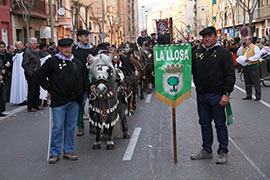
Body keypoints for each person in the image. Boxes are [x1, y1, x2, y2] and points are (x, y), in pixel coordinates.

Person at [37, 38, 89, 164]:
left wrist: (85, 90)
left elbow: (84, 79)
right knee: (58, 127)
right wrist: (50, 88)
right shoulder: (52, 61)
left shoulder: (77, 62)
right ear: (59, 48)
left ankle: (68, 151)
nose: (67, 49)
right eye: (64, 47)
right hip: (59, 101)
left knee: (70, 127)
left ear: (71, 47)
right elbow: (40, 75)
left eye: (69, 47)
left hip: (74, 101)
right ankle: (54, 153)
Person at [191, 26, 235, 164]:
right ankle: (206, 151)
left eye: (209, 36)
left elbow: (230, 75)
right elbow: (189, 70)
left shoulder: (224, 53)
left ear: (215, 36)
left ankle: (223, 152)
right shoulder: (198, 53)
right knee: (204, 124)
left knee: (220, 125)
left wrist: (226, 94)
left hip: (217, 95)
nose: (206, 39)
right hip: (202, 95)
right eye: (204, 37)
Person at [72, 29, 98, 136]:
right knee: (79, 105)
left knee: (94, 103)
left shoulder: (93, 50)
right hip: (79, 81)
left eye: (87, 36)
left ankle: (93, 125)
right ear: (79, 38)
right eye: (84, 36)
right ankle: (80, 126)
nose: (87, 38)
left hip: (91, 80)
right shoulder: (74, 50)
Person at [22, 38, 44, 112]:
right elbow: (24, 64)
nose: (36, 44)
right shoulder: (28, 52)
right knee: (32, 90)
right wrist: (30, 72)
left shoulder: (34, 51)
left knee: (37, 89)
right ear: (31, 44)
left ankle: (36, 104)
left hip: (37, 73)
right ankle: (30, 106)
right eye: (35, 43)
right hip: (32, 74)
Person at [237, 36, 261, 101]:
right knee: (247, 81)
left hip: (253, 66)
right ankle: (248, 94)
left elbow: (258, 55)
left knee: (256, 81)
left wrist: (250, 59)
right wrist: (242, 46)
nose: (245, 41)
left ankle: (258, 95)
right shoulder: (245, 48)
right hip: (246, 67)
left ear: (250, 40)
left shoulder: (255, 47)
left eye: (246, 40)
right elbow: (239, 53)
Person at [38, 42, 52, 106]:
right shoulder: (48, 56)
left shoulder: (37, 54)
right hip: (47, 72)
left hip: (39, 72)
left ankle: (39, 100)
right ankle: (46, 100)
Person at [0, 41, 11, 116]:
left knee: (3, 94)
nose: (2, 49)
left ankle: (2, 109)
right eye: (1, 47)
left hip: (4, 77)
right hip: (1, 76)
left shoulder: (7, 55)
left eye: (3, 47)